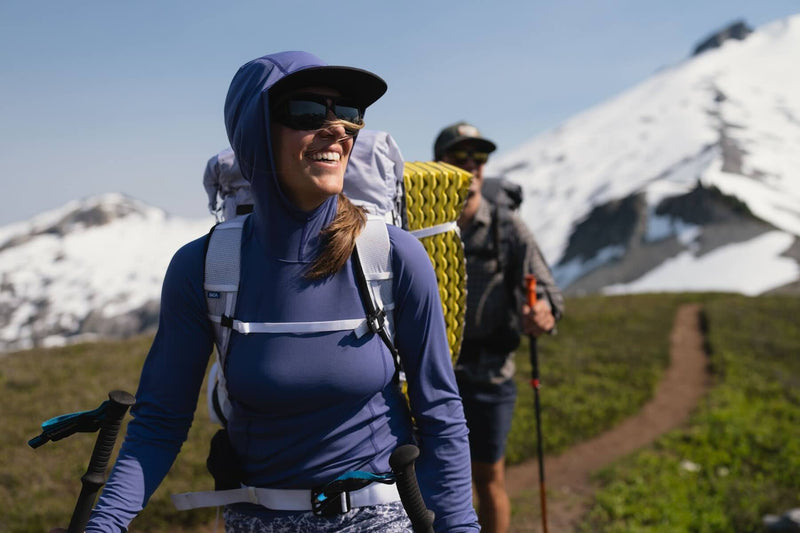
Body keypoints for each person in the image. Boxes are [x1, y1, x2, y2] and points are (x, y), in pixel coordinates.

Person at [52, 52, 479, 532]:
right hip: (254, 518)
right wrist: (105, 523)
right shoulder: (205, 267)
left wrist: (460, 526)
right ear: (254, 133)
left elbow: (440, 412)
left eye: (348, 113)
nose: (337, 128)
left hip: (378, 516)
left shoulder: (393, 256)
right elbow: (159, 423)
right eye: (307, 112)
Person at [434, 121, 565, 533]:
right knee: (435, 481)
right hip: (433, 376)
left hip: (489, 377)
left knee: (487, 479)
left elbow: (549, 293)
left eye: (479, 156)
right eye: (460, 155)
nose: (471, 164)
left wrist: (542, 312)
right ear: (439, 163)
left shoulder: (508, 228)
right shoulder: (422, 226)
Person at [202, 146, 254, 222]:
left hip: (233, 208)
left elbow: (209, 182)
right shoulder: (263, 153)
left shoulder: (219, 159)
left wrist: (212, 203)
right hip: (261, 206)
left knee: (233, 228)